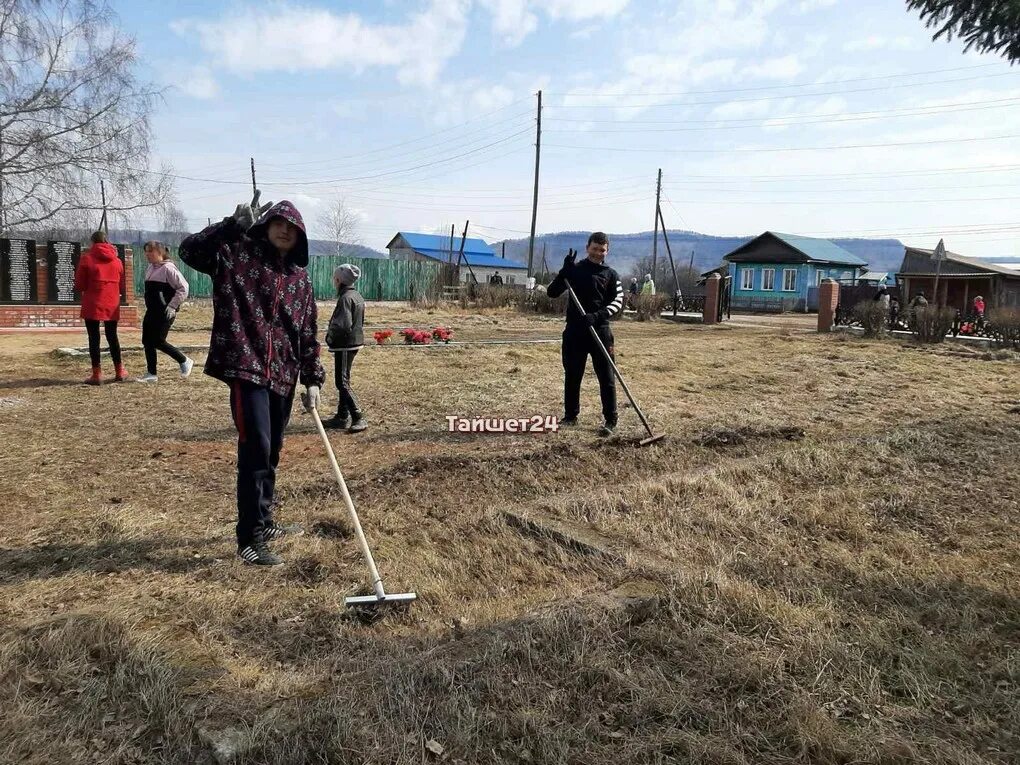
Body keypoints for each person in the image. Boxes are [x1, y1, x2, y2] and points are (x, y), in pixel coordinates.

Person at [179, 193, 325, 567]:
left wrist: (313, 378)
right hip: (245, 365)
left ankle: (265, 519)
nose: (284, 231)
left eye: (292, 228)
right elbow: (189, 252)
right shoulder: (237, 255)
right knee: (256, 446)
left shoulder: (300, 280)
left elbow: (307, 331)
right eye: (279, 223)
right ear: (265, 225)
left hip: (284, 373)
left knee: (272, 448)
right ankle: (249, 538)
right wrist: (230, 224)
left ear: (300, 237)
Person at [547, 232, 624, 436]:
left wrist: (598, 315)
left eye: (602, 249)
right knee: (572, 375)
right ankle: (570, 416)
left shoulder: (611, 275)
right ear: (587, 247)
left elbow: (618, 303)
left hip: (600, 331)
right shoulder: (575, 270)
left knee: (606, 377)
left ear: (607, 250)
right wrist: (564, 272)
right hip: (574, 332)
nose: (598, 253)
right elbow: (552, 292)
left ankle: (611, 419)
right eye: (594, 248)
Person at [136, 241, 194, 383]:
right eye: (146, 251)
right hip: (152, 311)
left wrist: (173, 306)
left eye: (150, 251)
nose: (147, 254)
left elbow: (183, 288)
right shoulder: (150, 268)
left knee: (158, 340)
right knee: (147, 341)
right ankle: (151, 374)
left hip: (165, 311)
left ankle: (185, 360)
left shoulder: (168, 269)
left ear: (160, 253)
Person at [74, 231, 127, 385]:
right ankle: (119, 371)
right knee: (112, 337)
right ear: (106, 241)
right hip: (111, 302)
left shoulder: (87, 259)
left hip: (92, 302)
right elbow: (122, 285)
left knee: (94, 338)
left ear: (92, 242)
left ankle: (97, 374)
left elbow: (80, 285)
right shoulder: (117, 261)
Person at [324, 264, 367, 433]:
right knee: (343, 380)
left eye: (334, 278)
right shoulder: (356, 295)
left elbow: (342, 325)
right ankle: (342, 417)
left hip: (344, 345)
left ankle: (358, 416)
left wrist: (330, 337)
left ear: (338, 280)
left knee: (341, 382)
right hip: (353, 342)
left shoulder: (345, 298)